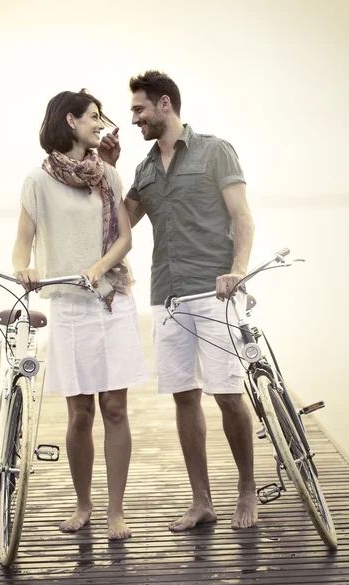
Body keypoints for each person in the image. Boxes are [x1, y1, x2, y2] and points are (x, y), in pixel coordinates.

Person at [99, 70, 257, 532]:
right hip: (167, 298)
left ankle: (247, 491)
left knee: (228, 394)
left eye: (138, 109)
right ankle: (202, 500)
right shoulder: (145, 169)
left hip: (216, 291)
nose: (133, 119)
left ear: (164, 104)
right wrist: (110, 170)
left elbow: (243, 219)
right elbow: (118, 224)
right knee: (185, 399)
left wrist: (239, 271)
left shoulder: (214, 150)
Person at [12, 89, 150, 540]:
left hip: (110, 300)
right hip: (69, 306)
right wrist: (23, 268)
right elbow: (24, 239)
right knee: (78, 415)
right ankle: (84, 503)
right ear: (70, 121)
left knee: (114, 407)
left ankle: (115, 510)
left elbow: (124, 239)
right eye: (93, 116)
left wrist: (97, 268)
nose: (100, 123)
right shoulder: (37, 180)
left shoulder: (107, 175)